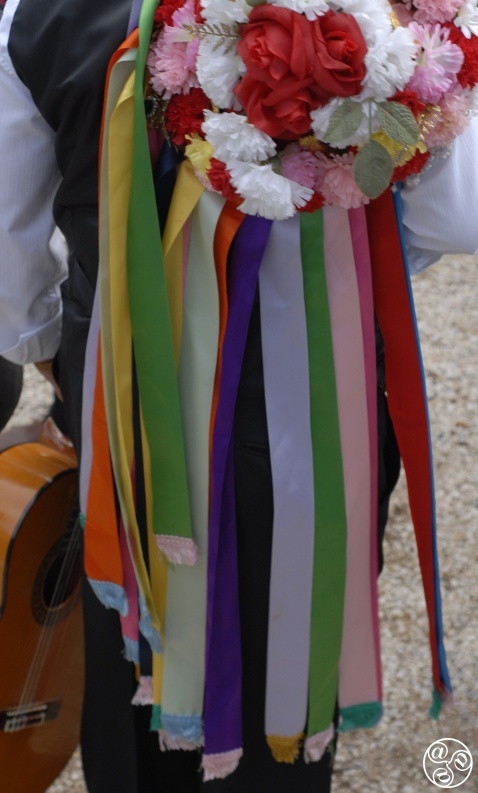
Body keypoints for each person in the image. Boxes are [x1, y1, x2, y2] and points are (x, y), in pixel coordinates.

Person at [0, 1, 477, 792]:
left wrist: (58, 349)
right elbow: (453, 217)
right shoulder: (401, 15)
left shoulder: (35, 14)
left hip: (125, 405)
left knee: (134, 660)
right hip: (326, 398)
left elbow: (11, 269)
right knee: (292, 641)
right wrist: (335, 264)